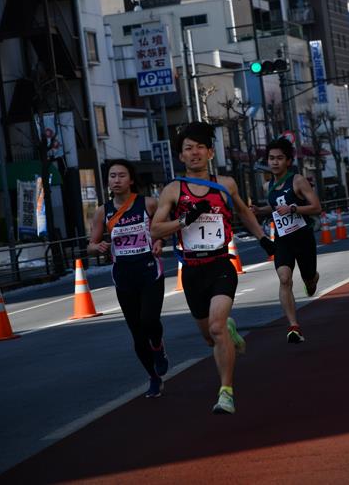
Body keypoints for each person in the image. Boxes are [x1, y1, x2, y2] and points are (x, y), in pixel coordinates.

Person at [150, 121, 275, 415]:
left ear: (210, 152)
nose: (194, 153)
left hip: (220, 264)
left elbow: (244, 212)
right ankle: (228, 333)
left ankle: (226, 392)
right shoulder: (173, 189)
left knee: (217, 327)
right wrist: (184, 220)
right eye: (188, 149)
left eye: (199, 148)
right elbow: (155, 230)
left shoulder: (226, 184)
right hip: (191, 271)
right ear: (180, 156)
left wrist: (264, 241)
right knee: (210, 337)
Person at [88, 159, 168, 398]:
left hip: (149, 270)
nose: (116, 180)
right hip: (123, 275)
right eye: (112, 176)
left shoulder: (149, 204)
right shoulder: (103, 211)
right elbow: (91, 244)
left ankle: (158, 346)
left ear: (131, 179)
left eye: (121, 175)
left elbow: (163, 228)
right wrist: (98, 246)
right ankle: (153, 377)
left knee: (149, 318)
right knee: (136, 331)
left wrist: (159, 241)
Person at [251, 137, 322, 344]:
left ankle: (312, 279)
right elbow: (275, 209)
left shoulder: (298, 180)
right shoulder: (269, 185)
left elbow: (317, 207)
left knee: (308, 278)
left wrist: (293, 208)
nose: (274, 162)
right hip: (283, 239)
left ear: (288, 161)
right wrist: (259, 210)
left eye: (279, 158)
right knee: (284, 278)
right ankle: (293, 326)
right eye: (271, 158)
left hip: (303, 237)